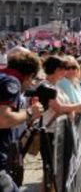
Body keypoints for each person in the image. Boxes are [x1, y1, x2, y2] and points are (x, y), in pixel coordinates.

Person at [0, 51, 43, 190]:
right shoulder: (11, 81)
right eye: (32, 79)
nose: (31, 84)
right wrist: (31, 113)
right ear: (29, 75)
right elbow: (3, 119)